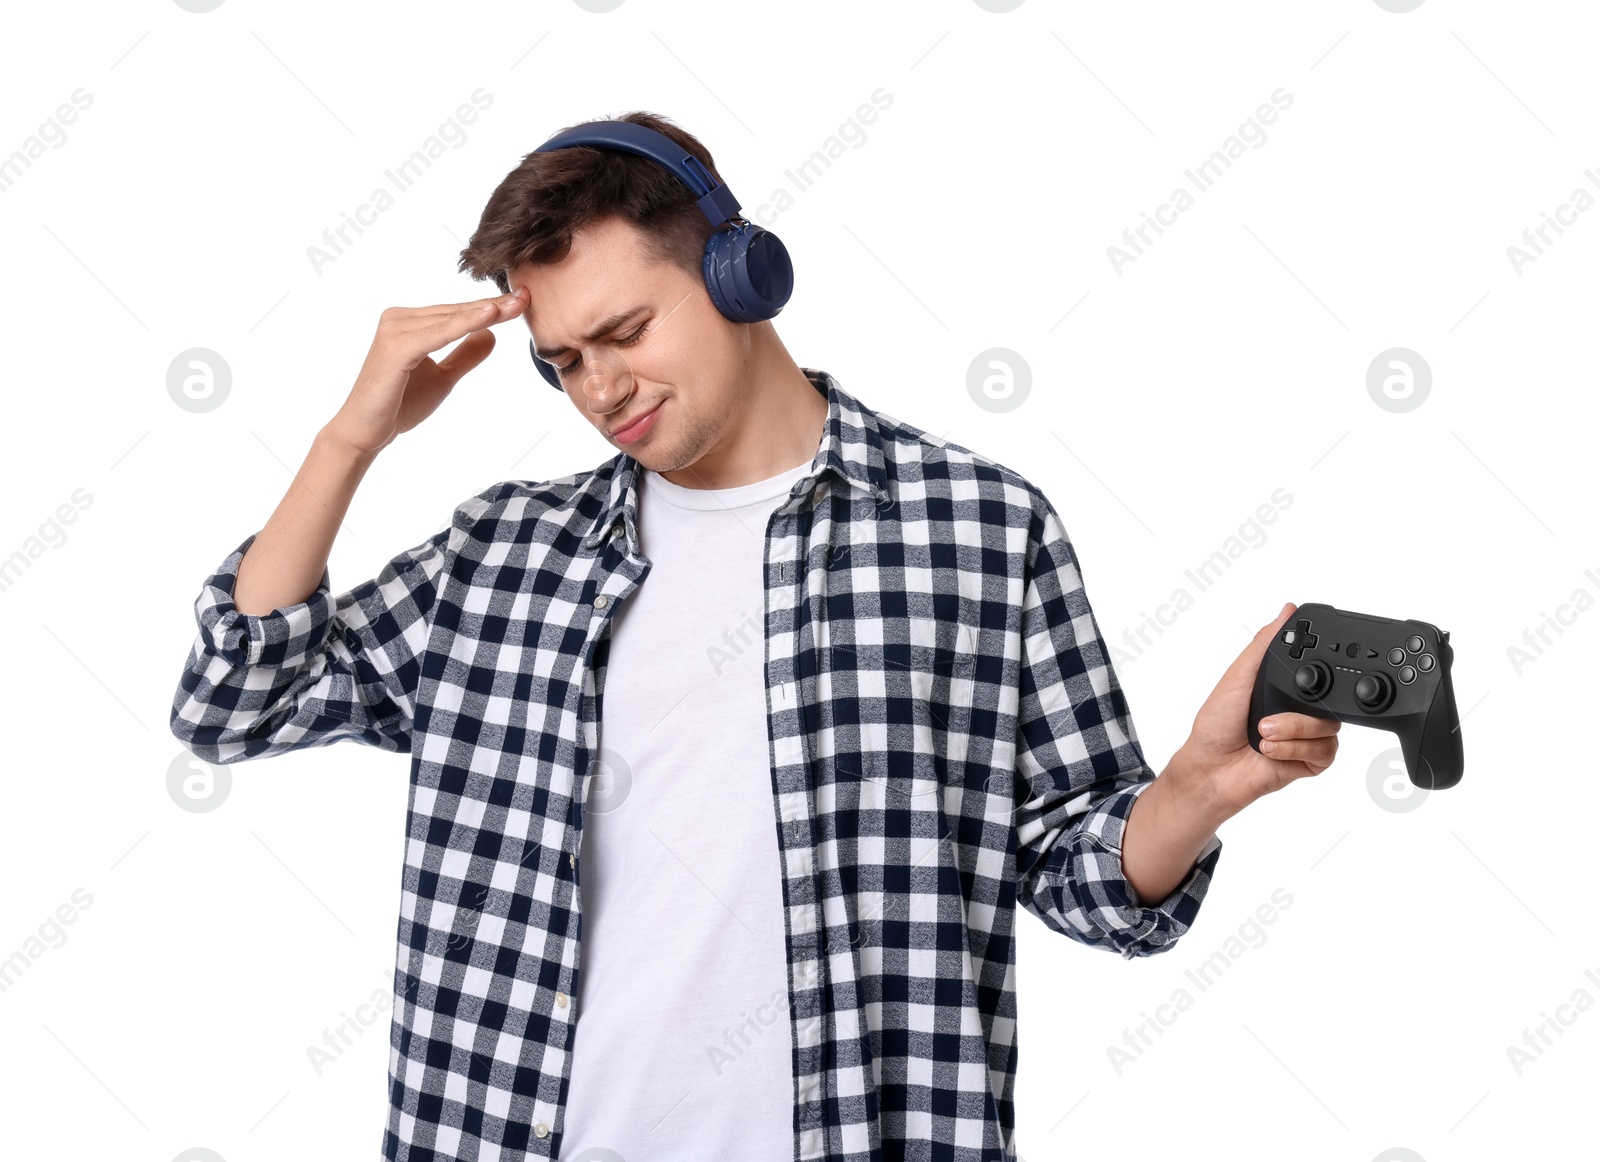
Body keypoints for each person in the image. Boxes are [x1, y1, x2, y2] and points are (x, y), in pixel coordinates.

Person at [169, 110, 1339, 1162]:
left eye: (624, 330)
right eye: (563, 362)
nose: (599, 387)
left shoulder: (975, 528)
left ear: (740, 274)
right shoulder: (505, 556)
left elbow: (1090, 882)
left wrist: (1190, 789)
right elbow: (236, 704)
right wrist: (349, 441)